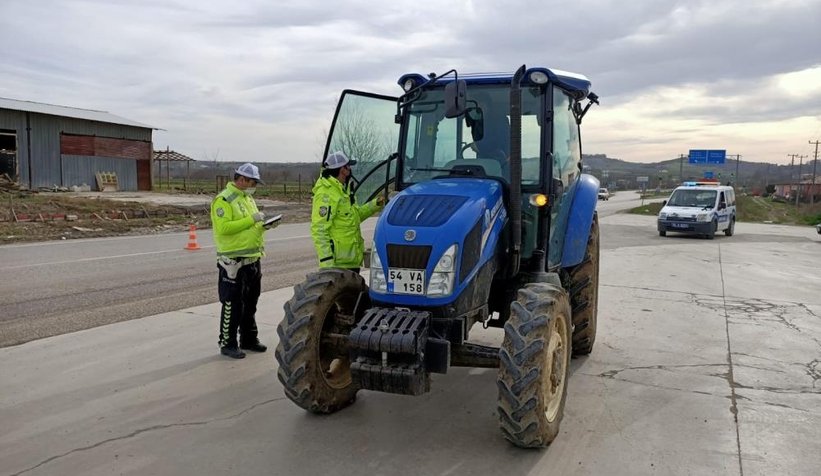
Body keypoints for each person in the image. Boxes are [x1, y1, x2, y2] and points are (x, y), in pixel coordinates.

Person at [211, 162, 272, 359]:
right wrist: (253, 220)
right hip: (233, 263)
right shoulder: (224, 200)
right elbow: (224, 228)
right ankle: (227, 343)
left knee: (250, 303)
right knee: (232, 304)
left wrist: (264, 226)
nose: (254, 186)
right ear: (242, 179)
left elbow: (249, 227)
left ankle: (249, 339)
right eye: (253, 182)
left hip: (252, 260)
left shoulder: (247, 198)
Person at [311, 151, 385, 272]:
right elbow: (319, 230)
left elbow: (354, 217)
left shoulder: (344, 191)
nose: (350, 169)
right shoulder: (326, 194)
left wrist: (375, 204)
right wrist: (327, 264)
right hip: (337, 265)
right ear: (342, 169)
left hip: (351, 261)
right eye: (348, 166)